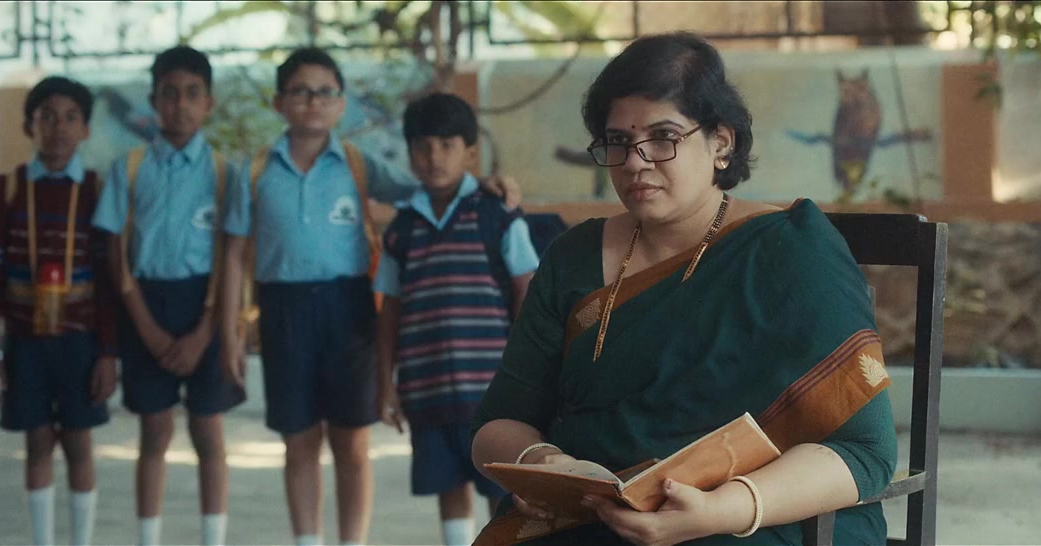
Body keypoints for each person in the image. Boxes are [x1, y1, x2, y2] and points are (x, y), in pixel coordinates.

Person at [470, 32, 897, 546]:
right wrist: (545, 464)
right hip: (591, 519)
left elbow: (865, 450)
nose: (635, 162)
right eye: (618, 142)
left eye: (663, 137)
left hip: (752, 521)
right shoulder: (573, 258)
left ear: (721, 142)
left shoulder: (789, 251)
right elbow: (497, 425)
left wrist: (721, 510)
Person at [217, 48, 521, 546]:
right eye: (301, 91)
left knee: (351, 440)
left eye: (326, 92)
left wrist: (484, 184)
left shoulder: (358, 164)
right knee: (299, 439)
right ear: (278, 102)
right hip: (283, 310)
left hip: (350, 307)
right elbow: (232, 255)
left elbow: (426, 187)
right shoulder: (252, 171)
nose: (313, 101)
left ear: (341, 104)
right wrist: (231, 333)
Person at [92, 46, 244, 546]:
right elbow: (115, 253)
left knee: (208, 431)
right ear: (154, 100)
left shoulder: (224, 173)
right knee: (154, 431)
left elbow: (232, 257)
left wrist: (207, 331)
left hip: (206, 304)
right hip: (144, 303)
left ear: (209, 103)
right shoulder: (131, 168)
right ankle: (148, 538)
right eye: (170, 94)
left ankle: (212, 538)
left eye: (193, 94)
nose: (181, 104)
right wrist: (147, 327)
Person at [374, 92, 539, 546]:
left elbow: (528, 292)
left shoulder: (497, 214)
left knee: (501, 489)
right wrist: (385, 381)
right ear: (410, 154)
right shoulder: (402, 230)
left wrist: (528, 376)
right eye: (423, 147)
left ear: (469, 152)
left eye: (447, 146)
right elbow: (390, 309)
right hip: (426, 388)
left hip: (492, 392)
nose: (434, 158)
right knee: (448, 487)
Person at [0, 76, 116, 546]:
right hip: (24, 341)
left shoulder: (96, 191)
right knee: (36, 442)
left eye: (71, 118)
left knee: (79, 442)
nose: (58, 128)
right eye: (46, 117)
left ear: (85, 129)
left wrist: (108, 351)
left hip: (80, 341)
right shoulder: (6, 190)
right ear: (28, 126)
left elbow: (111, 280)